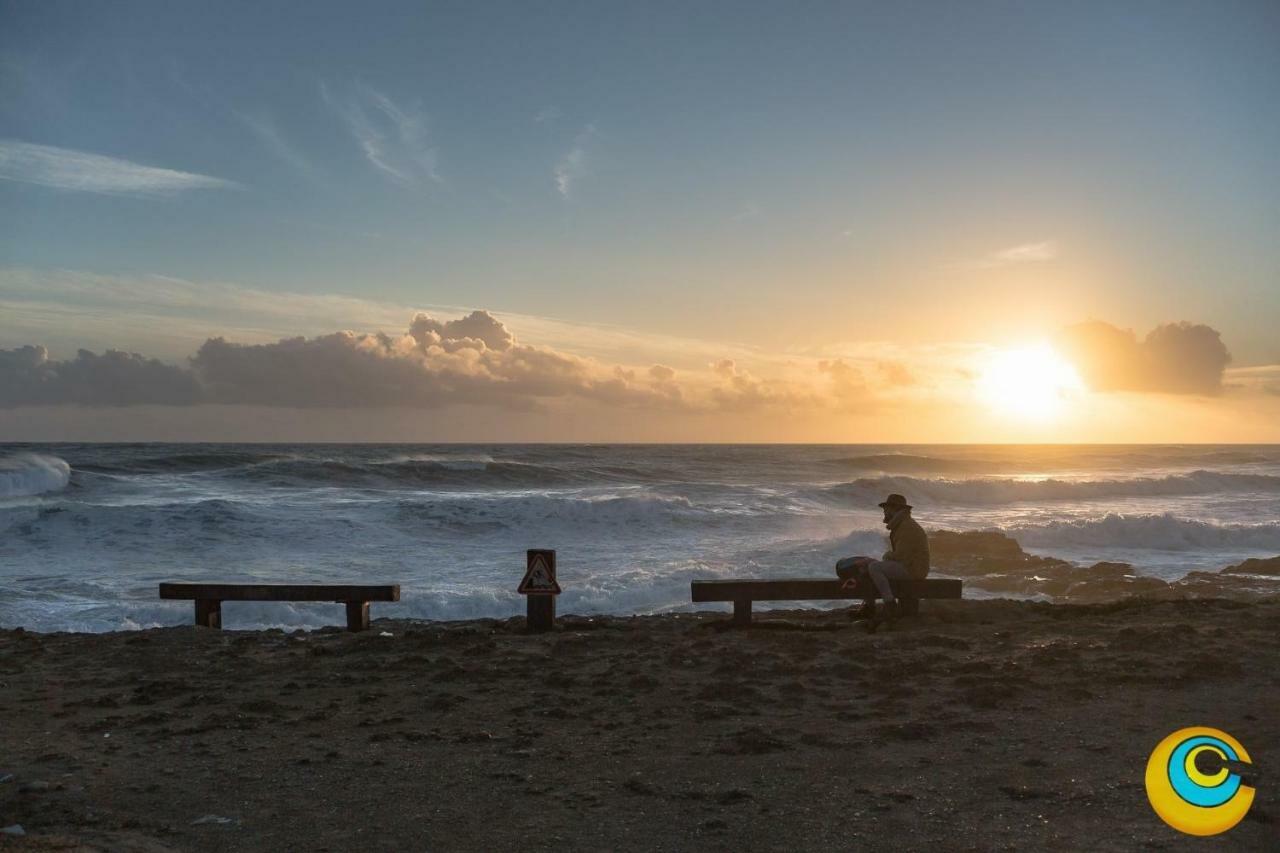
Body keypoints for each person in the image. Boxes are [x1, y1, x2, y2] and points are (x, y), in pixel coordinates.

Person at [835, 493, 930, 631]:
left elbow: (901, 556)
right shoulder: (903, 524)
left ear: (895, 509)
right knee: (869, 567)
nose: (884, 512)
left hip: (914, 569)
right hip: (909, 566)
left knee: (874, 567)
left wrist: (883, 558)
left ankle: (890, 605)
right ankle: (869, 607)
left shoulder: (907, 527)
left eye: (886, 509)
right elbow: (900, 557)